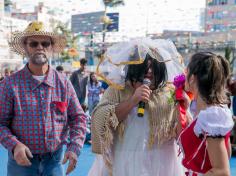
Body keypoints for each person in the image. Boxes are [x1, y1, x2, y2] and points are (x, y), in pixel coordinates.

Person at [89, 39, 187, 176]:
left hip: (162, 164)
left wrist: (184, 109)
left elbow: (182, 135)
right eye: (145, 67)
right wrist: (132, 101)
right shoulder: (117, 90)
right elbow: (100, 117)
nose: (150, 72)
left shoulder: (169, 93)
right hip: (124, 161)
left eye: (154, 67)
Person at [0, 21, 87, 176]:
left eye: (45, 43)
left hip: (54, 162)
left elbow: (78, 118)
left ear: (51, 48)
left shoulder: (64, 83)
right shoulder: (9, 85)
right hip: (21, 162)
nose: (40, 47)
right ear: (26, 48)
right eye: (34, 43)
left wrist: (74, 147)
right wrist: (14, 145)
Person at [178, 52, 234, 176]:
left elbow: (222, 171)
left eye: (187, 71)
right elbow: (226, 153)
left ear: (192, 78)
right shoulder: (211, 113)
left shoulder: (211, 115)